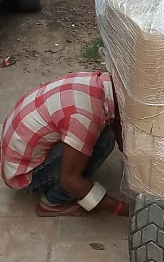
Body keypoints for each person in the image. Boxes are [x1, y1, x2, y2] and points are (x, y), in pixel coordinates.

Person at [0, 71, 130, 218]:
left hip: (17, 155)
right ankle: (53, 202)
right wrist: (124, 210)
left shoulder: (96, 83)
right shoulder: (84, 117)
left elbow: (117, 122)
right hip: (25, 176)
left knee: (101, 133)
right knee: (104, 140)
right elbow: (70, 180)